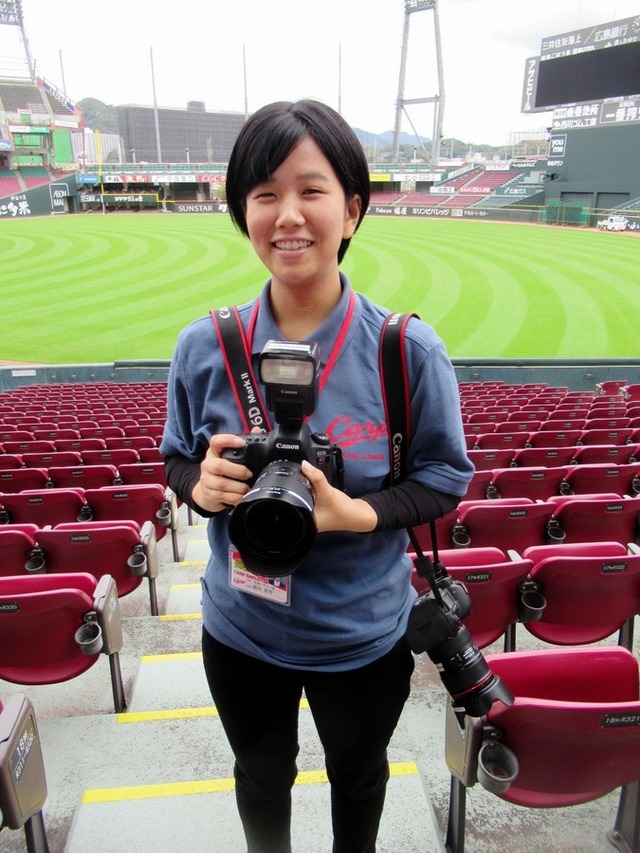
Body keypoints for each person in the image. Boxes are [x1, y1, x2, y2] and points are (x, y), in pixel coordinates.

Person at [160, 99, 474, 853]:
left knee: (360, 775)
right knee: (260, 774)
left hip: (364, 635)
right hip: (242, 628)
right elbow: (175, 456)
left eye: (311, 189)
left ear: (353, 209)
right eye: (265, 194)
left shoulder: (405, 350)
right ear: (244, 212)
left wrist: (351, 513)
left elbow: (444, 477)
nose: (287, 214)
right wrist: (198, 487)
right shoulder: (204, 345)